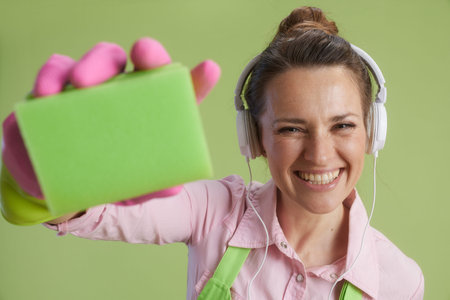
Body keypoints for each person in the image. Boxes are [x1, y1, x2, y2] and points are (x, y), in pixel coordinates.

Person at [1, 6, 424, 299]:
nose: (319, 153)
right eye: (291, 128)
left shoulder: (398, 282)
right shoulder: (214, 211)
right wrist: (47, 175)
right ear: (254, 138)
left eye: (343, 125)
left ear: (372, 131)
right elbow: (90, 213)